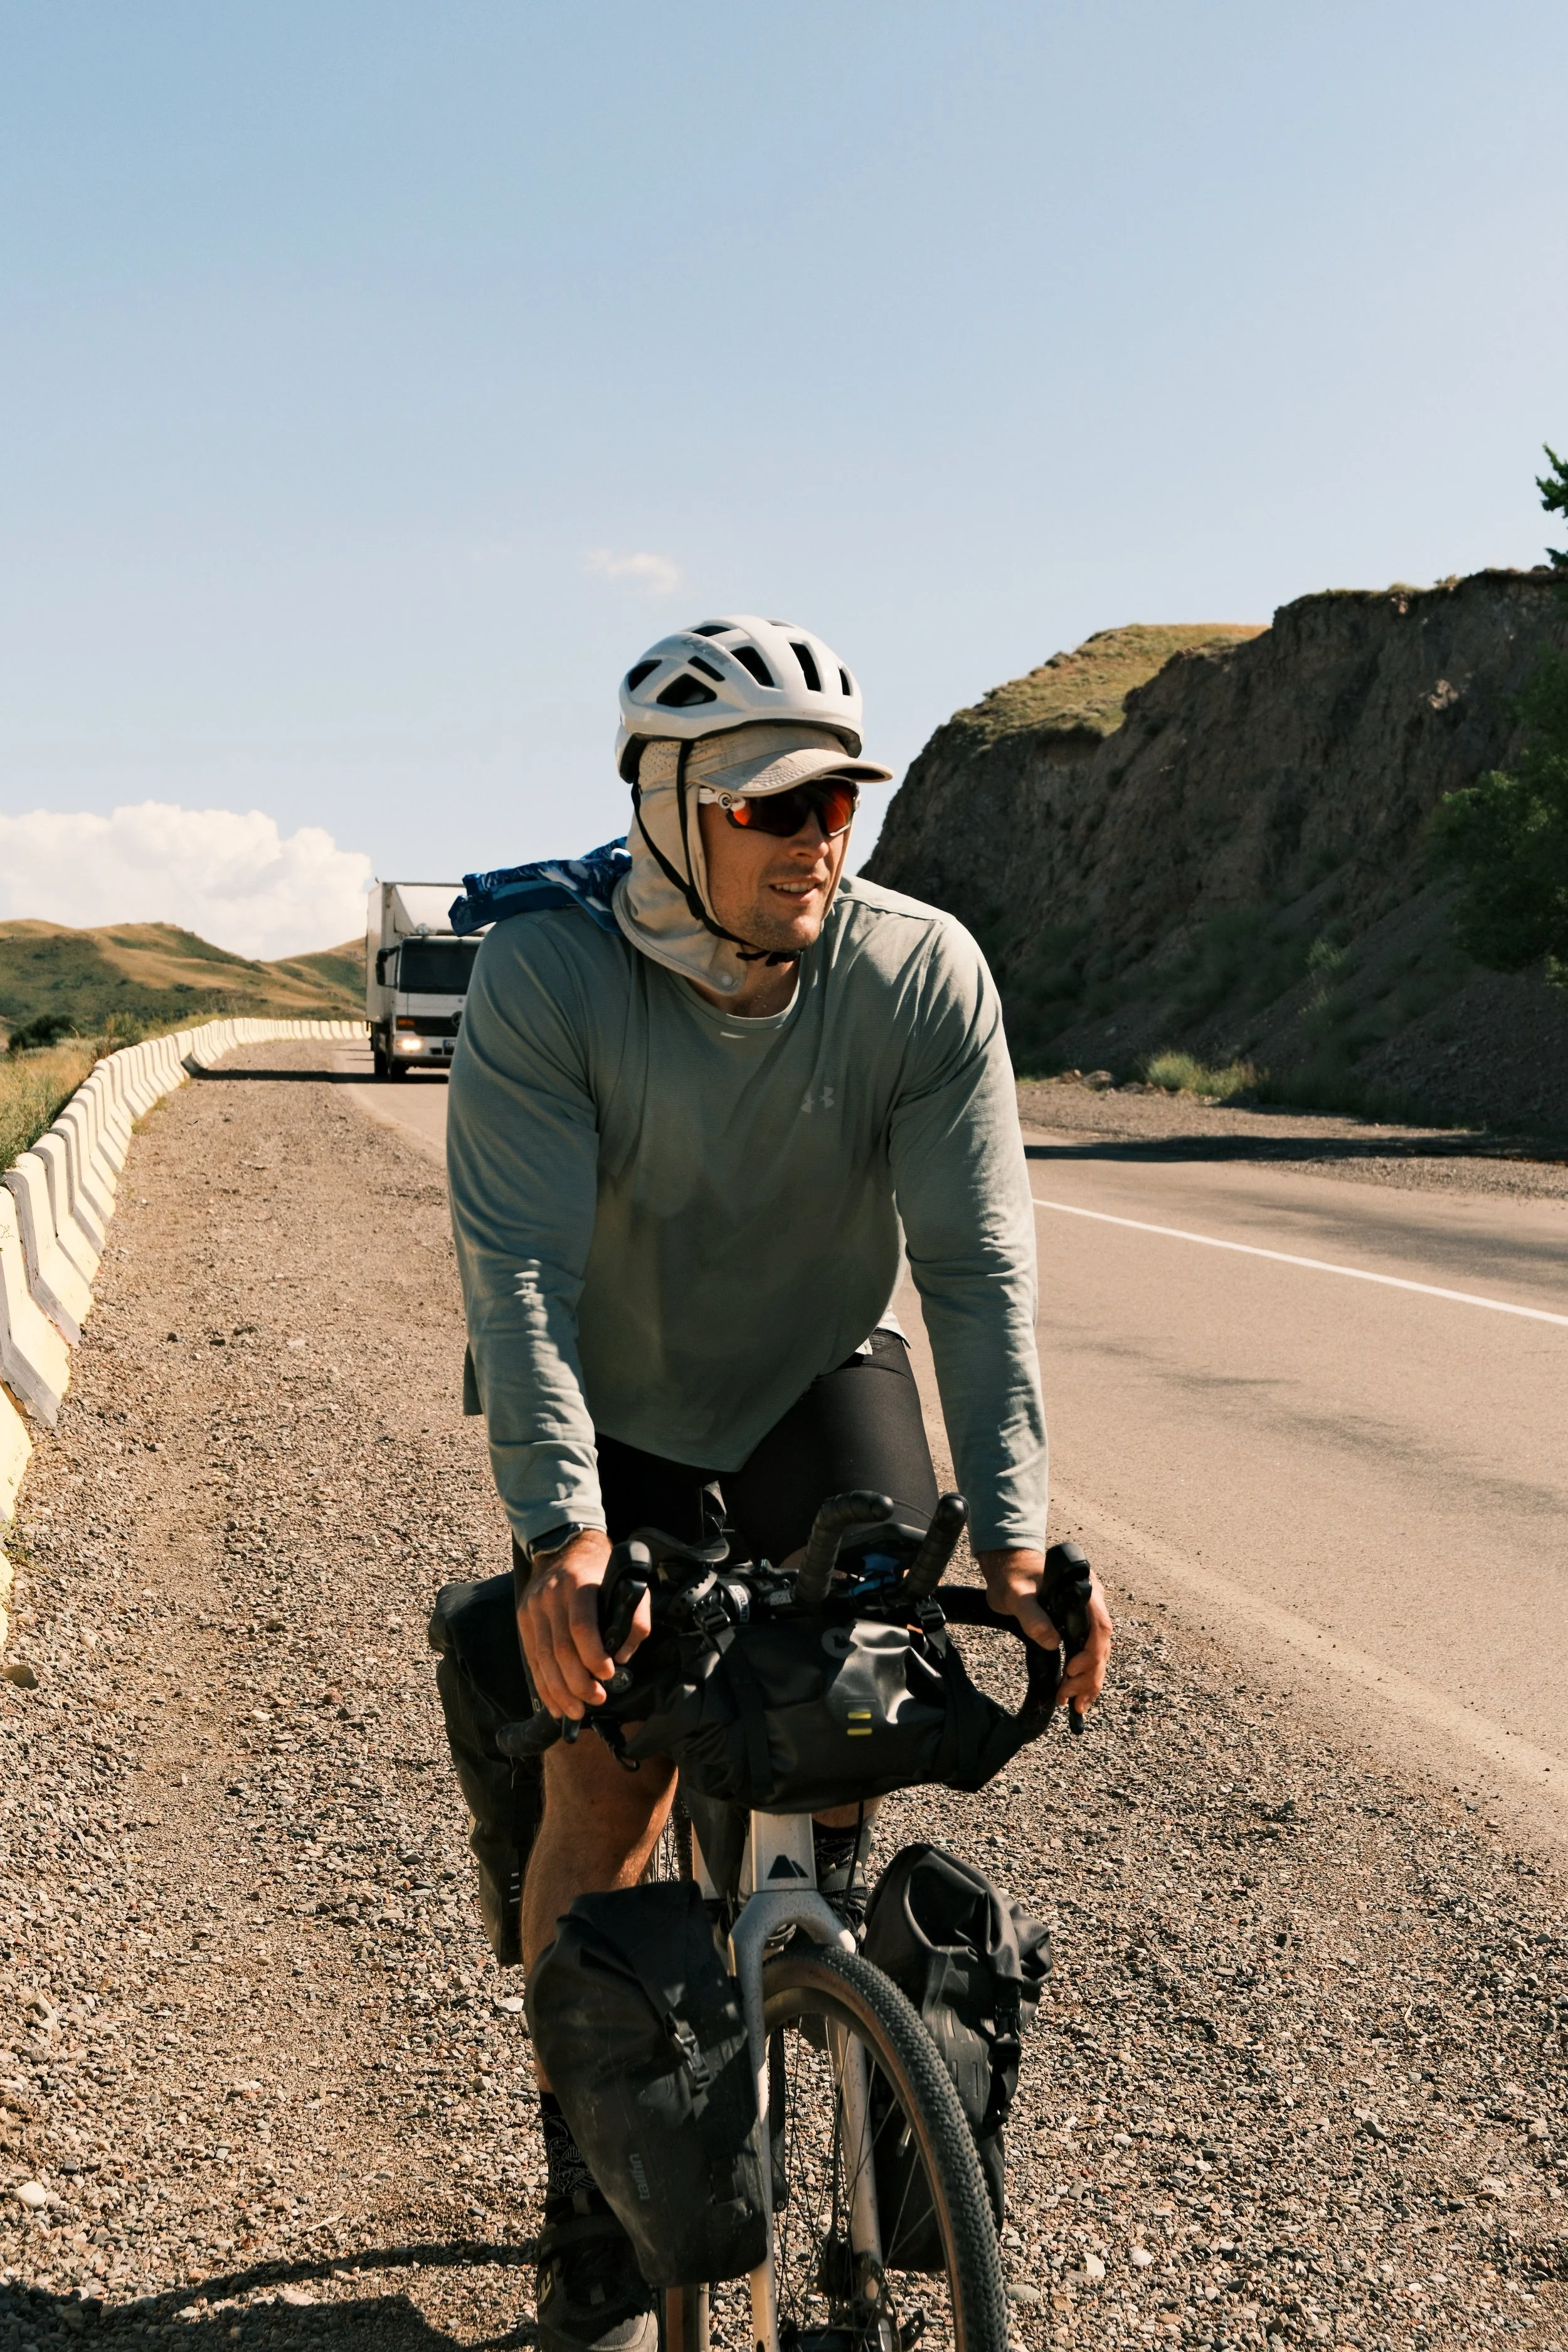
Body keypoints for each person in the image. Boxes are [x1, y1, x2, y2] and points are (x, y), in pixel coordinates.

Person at [441, 613, 1113, 2352]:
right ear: (668, 805)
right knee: (611, 1780)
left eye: (838, 802)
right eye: (771, 806)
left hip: (818, 1366)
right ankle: (589, 2182)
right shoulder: (546, 974)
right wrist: (561, 1537)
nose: (817, 836)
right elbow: (513, 1272)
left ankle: (830, 2060)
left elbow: (974, 1268)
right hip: (618, 1394)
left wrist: (1023, 1531)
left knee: (851, 1712)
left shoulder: (919, 971)